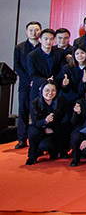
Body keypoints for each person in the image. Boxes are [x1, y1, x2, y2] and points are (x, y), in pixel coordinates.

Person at [26, 80, 68, 165]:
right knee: (32, 131)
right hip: (41, 130)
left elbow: (65, 121)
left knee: (46, 145)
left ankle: (56, 151)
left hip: (55, 131)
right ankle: (32, 156)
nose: (50, 93)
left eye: (53, 90)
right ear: (41, 90)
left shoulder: (61, 102)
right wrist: (45, 121)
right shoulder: (35, 103)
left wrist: (53, 129)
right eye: (47, 90)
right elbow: (35, 123)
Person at [13, 21, 41, 149]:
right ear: (26, 32)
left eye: (36, 30)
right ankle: (22, 138)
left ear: (40, 31)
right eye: (31, 30)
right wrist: (28, 79)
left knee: (37, 110)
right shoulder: (20, 47)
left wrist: (36, 80)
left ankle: (36, 138)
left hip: (38, 83)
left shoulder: (42, 46)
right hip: (25, 83)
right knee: (23, 110)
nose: (33, 33)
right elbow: (17, 65)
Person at [27, 28, 65, 103]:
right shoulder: (32, 55)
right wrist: (47, 81)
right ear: (40, 40)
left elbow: (62, 70)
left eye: (51, 39)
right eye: (46, 39)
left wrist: (53, 81)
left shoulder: (60, 53)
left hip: (55, 88)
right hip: (38, 88)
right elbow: (33, 74)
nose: (48, 42)